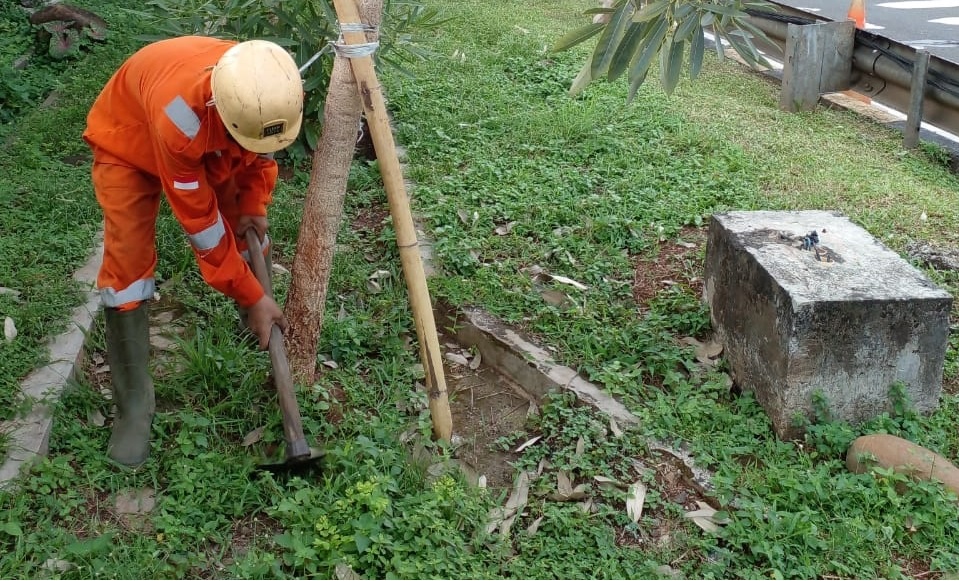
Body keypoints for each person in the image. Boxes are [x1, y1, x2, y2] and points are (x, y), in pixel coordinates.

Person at [82, 36, 304, 467]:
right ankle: (134, 408)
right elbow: (202, 229)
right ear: (222, 116)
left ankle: (257, 323)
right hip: (129, 138)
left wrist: (253, 206)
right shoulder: (181, 123)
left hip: (215, 131)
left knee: (242, 222)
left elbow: (260, 157)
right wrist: (252, 294)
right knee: (128, 258)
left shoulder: (263, 89)